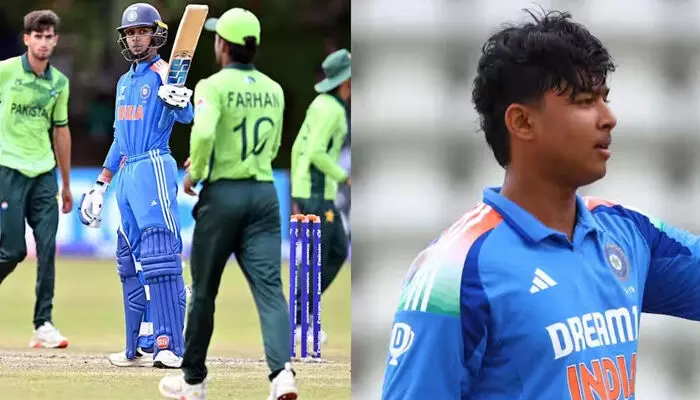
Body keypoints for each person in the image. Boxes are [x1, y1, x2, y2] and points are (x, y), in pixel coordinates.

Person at [381, 8, 700, 399]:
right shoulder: (455, 269)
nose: (608, 117)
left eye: (605, 98)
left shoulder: (625, 231)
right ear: (522, 122)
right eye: (584, 101)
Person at [157, 8, 297, 400]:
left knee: (203, 292)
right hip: (264, 194)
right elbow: (273, 145)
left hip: (223, 196)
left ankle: (193, 381)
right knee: (270, 290)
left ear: (222, 45)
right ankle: (282, 375)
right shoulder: (274, 89)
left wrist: (197, 172)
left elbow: (203, 134)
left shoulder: (212, 85)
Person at [78, 2, 193, 369]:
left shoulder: (163, 72)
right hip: (127, 173)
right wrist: (101, 183)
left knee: (160, 257)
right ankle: (138, 345)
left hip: (154, 164)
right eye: (130, 33)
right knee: (130, 261)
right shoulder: (124, 82)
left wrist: (181, 102)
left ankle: (169, 345)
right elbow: (119, 138)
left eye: (142, 31)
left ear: (155, 35)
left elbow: (186, 113)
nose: (136, 38)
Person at [0, 9, 73, 349]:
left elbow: (61, 131)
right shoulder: (5, 71)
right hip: (9, 169)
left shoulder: (59, 83)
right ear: (26, 38)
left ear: (55, 41)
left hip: (44, 173)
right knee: (13, 251)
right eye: (37, 36)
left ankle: (43, 323)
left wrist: (66, 184)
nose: (43, 42)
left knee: (47, 247)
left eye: (49, 37)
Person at [289, 48, 351, 345]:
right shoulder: (331, 109)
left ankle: (303, 310)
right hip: (317, 192)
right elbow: (315, 152)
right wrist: (344, 176)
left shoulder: (321, 103)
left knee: (336, 249)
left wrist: (295, 190)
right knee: (321, 255)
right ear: (346, 81)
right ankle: (300, 318)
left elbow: (298, 147)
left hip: (311, 190)